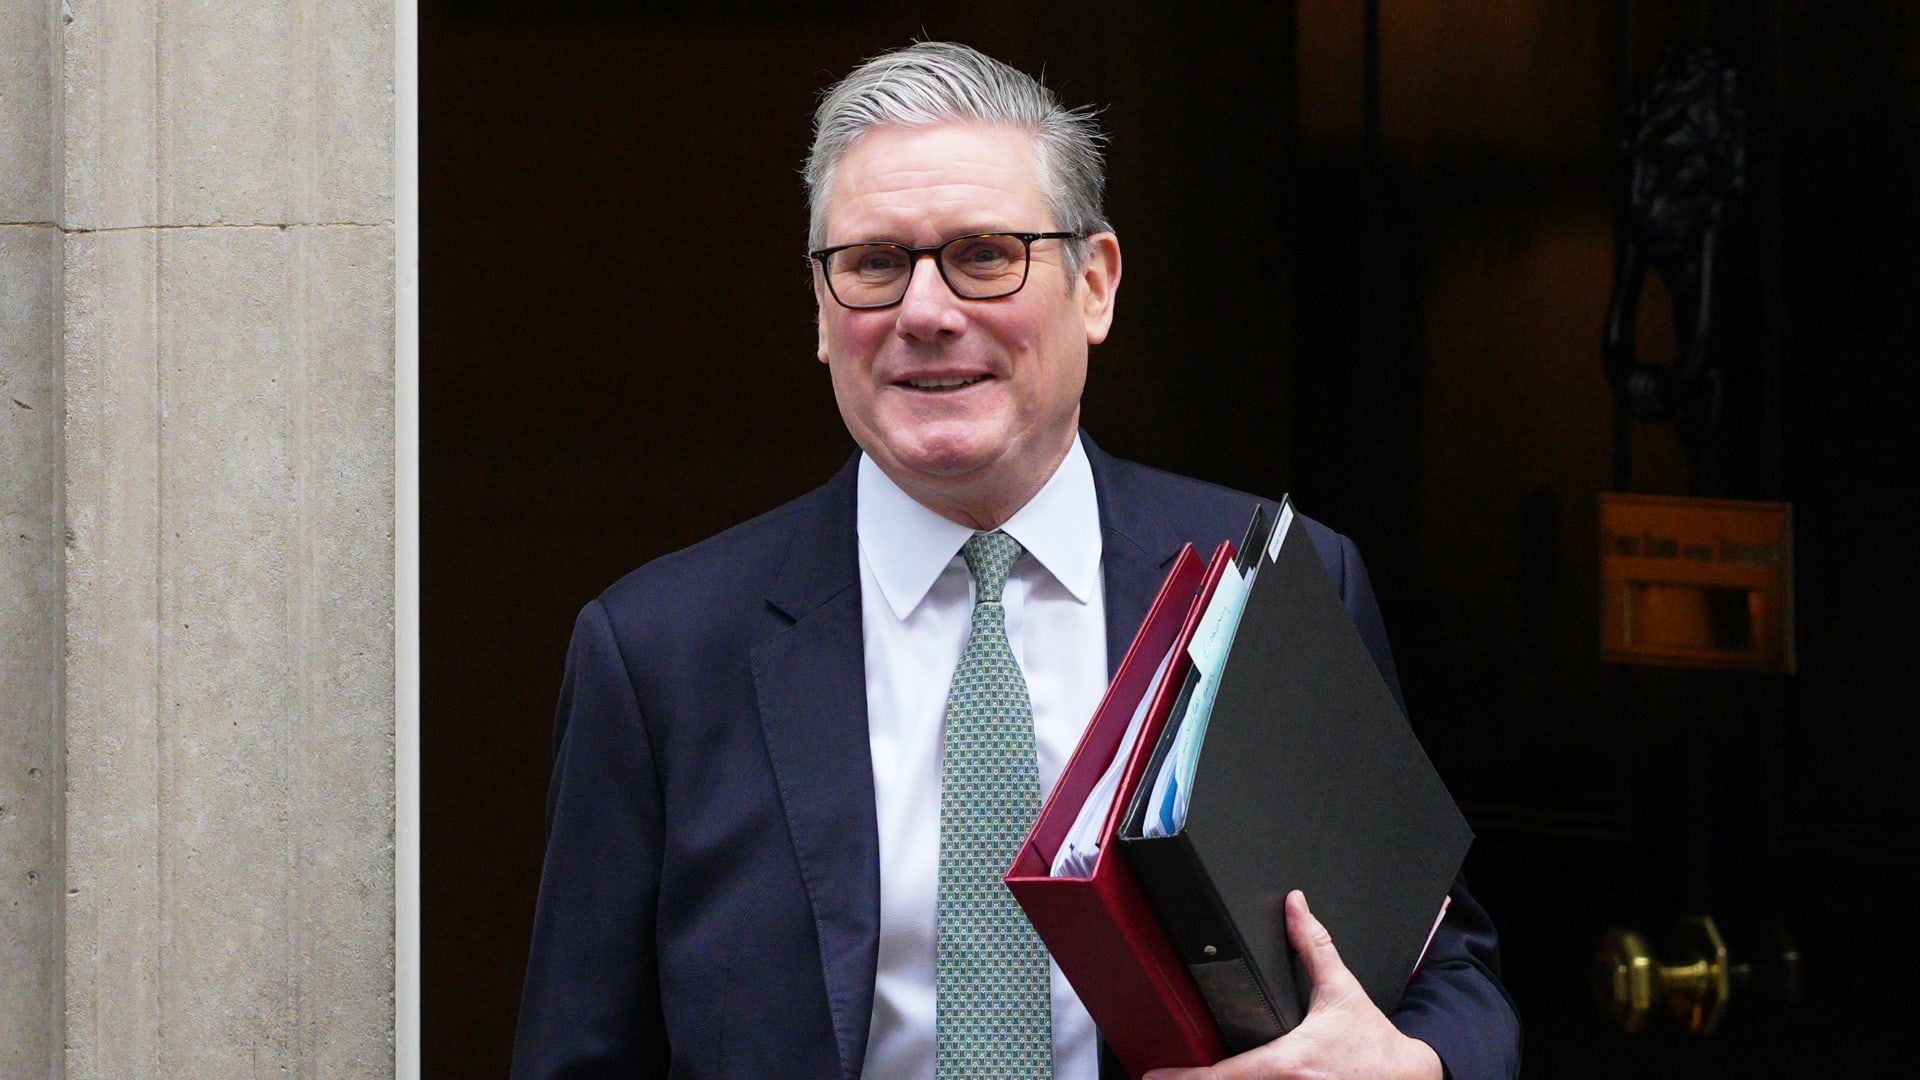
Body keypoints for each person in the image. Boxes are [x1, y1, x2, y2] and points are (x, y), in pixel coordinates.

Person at [513, 41, 1521, 1080]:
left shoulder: (1267, 583)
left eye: (986, 254)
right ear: (821, 308)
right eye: (874, 264)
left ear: (1096, 285)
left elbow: (1445, 973)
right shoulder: (662, 653)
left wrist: (1412, 1063)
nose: (925, 313)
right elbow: (579, 1052)